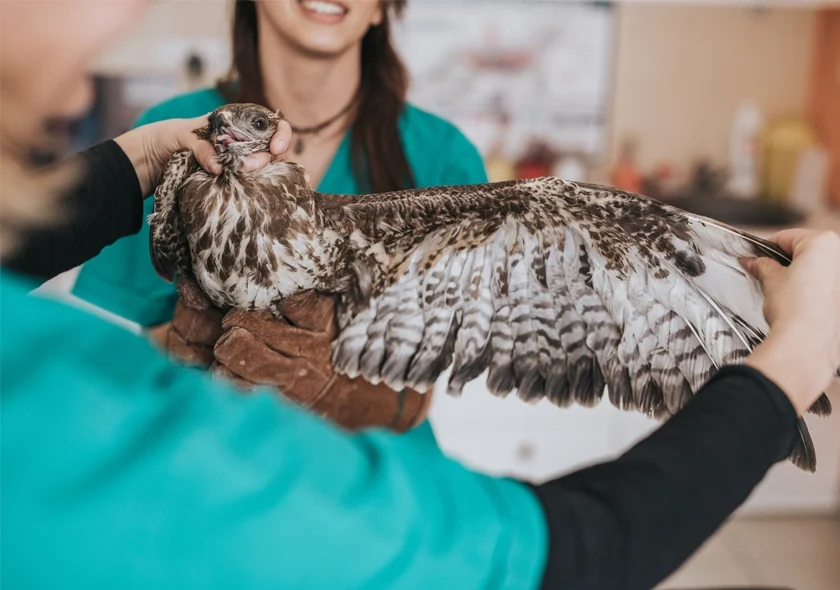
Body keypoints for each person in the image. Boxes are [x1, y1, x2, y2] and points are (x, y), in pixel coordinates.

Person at [3, 1, 840, 589]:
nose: (79, 93)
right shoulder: (179, 140)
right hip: (215, 485)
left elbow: (437, 366)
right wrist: (192, 358)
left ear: (382, 11)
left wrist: (371, 398)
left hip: (369, 499)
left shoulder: (435, 151)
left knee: (569, 208)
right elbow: (101, 350)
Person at [71, 0, 486, 432]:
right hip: (210, 451)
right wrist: (185, 350)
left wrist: (346, 393)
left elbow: (427, 369)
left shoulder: (442, 155)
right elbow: (113, 351)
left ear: (381, 8)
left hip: (368, 476)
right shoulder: (170, 134)